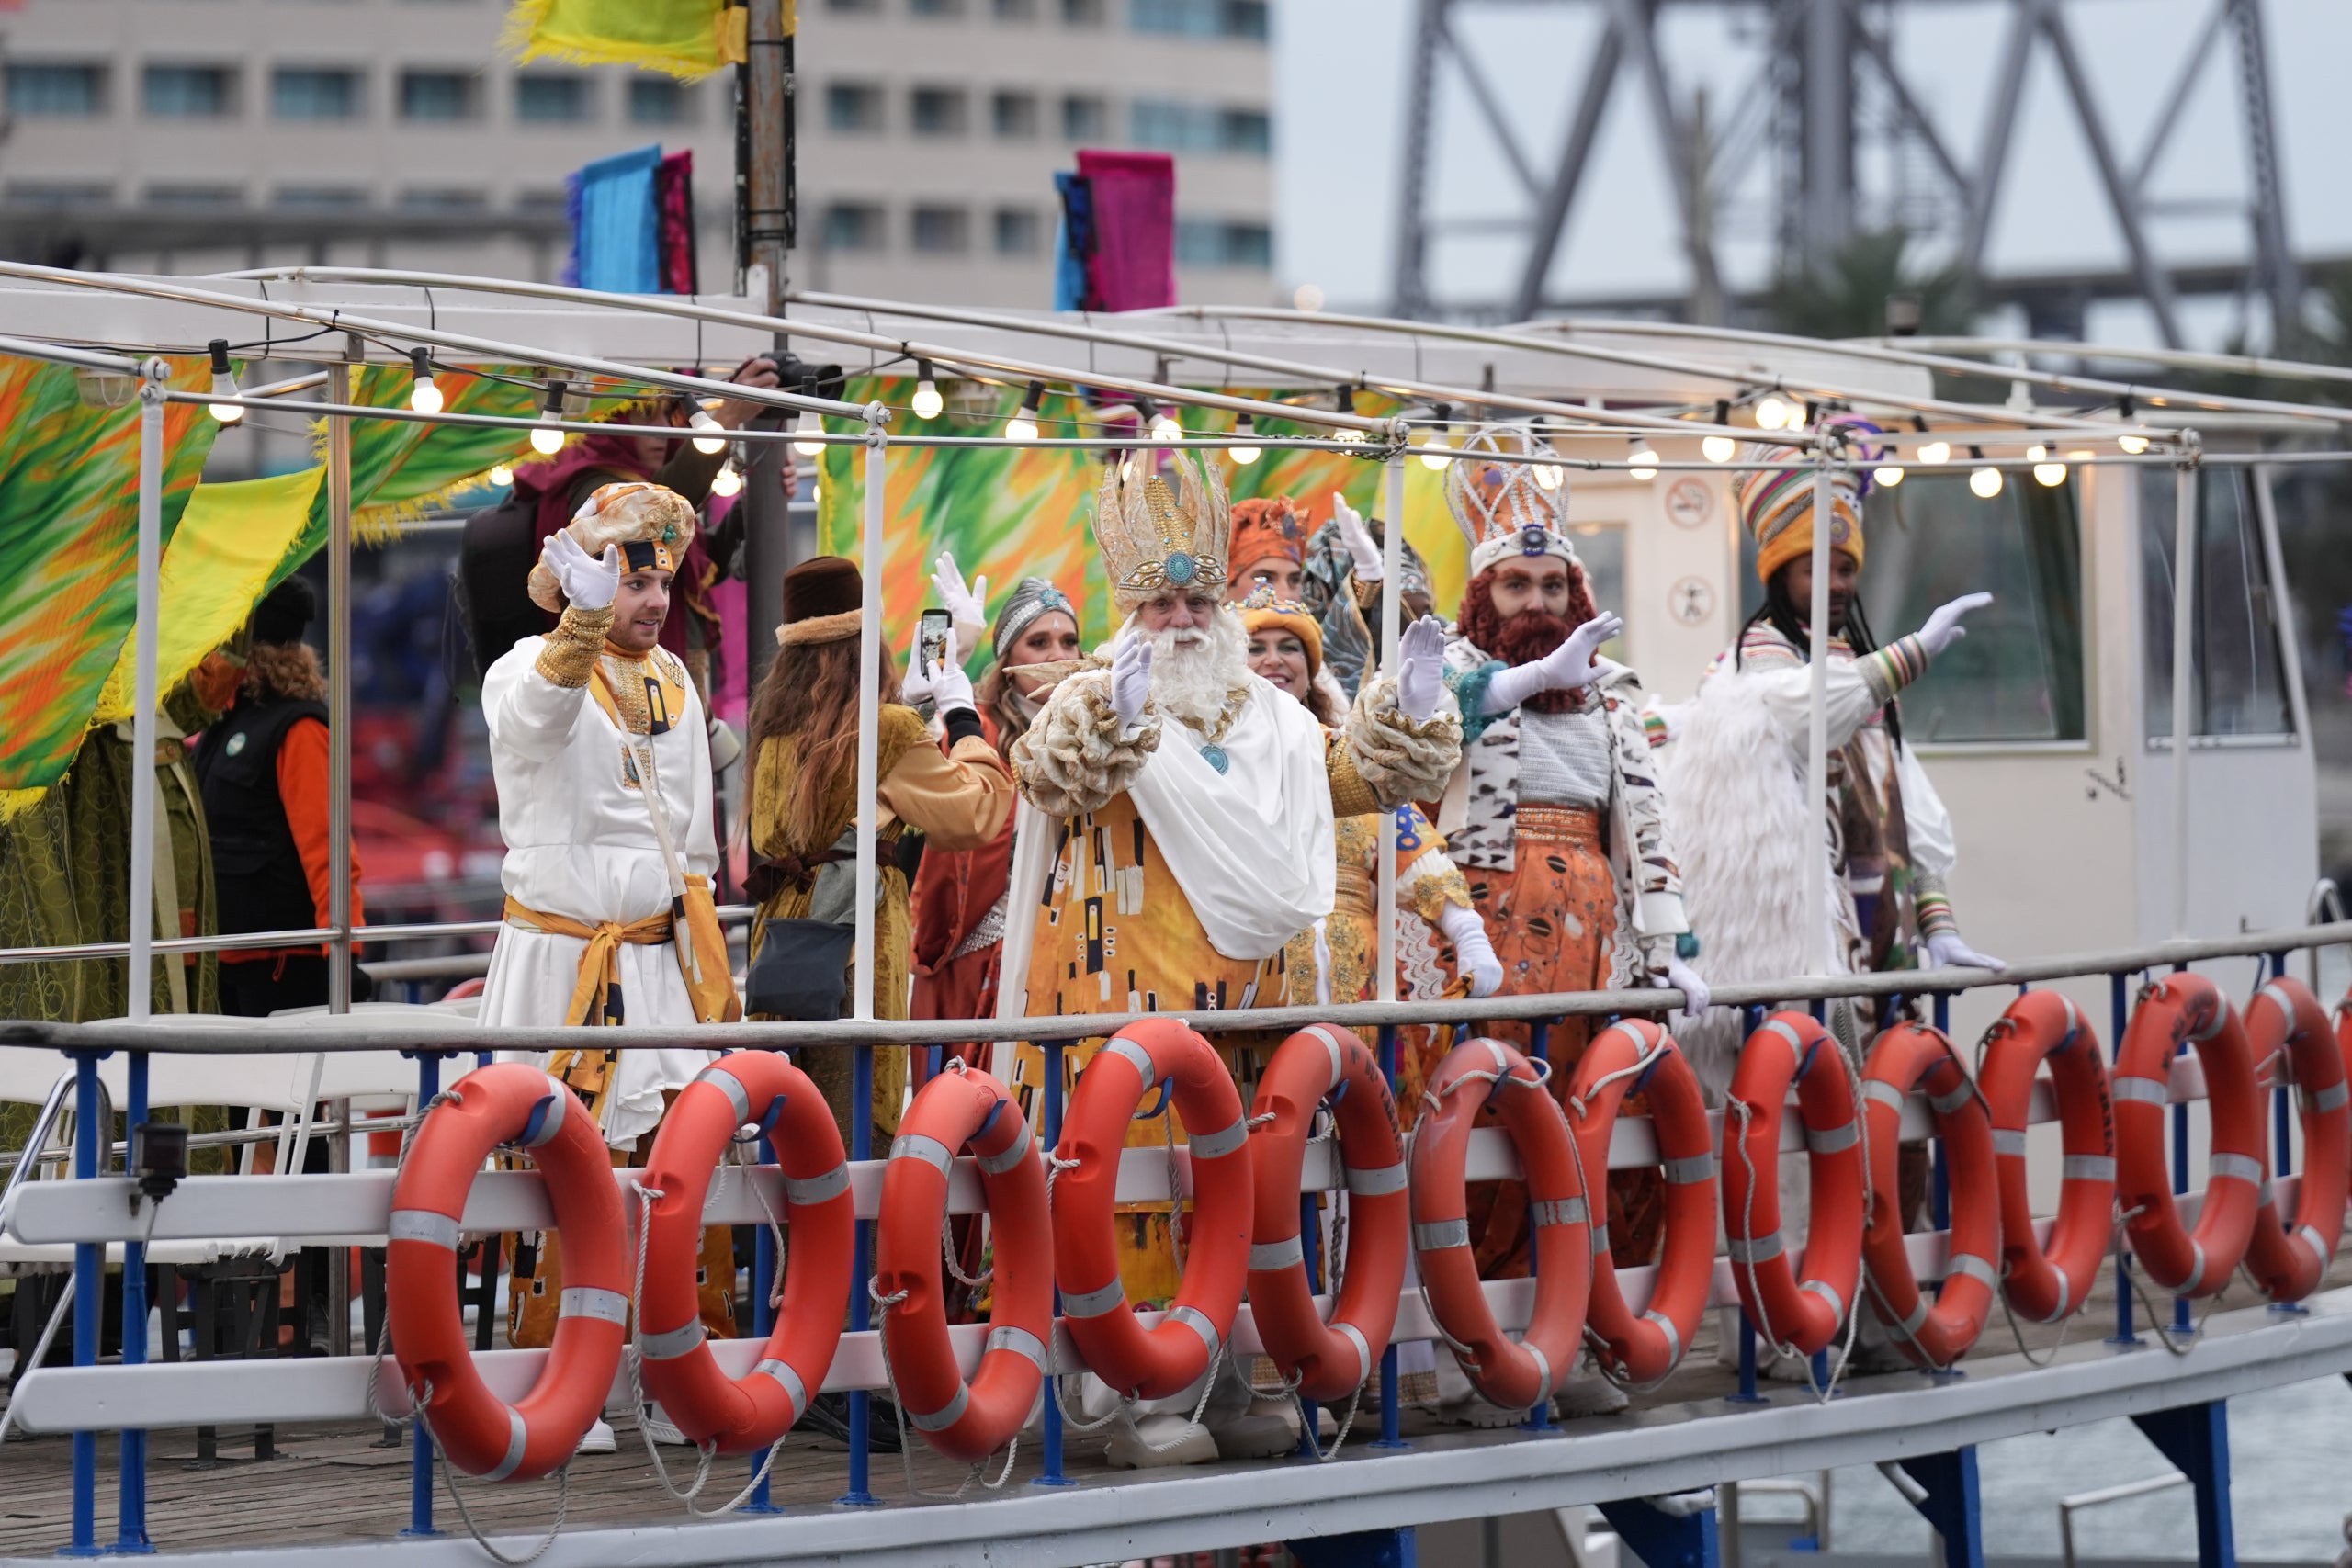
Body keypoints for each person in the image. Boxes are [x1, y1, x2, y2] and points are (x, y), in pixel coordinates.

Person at [1001, 450, 1462, 1465]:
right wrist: (1108, 715)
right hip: (1120, 990)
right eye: (1158, 601)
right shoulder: (1096, 695)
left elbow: (1350, 785)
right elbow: (1045, 776)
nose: (1179, 617)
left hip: (1248, 997)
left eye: (1194, 597)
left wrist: (1411, 703)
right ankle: (1126, 1403)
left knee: (1238, 1200)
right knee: (1135, 1197)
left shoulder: (1275, 719)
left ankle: (1220, 1387)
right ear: (1129, 610)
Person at [1660, 424, 1996, 1378]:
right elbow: (1815, 707)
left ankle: (1887, 1316)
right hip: (1802, 962)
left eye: (1845, 566)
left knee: (1895, 1145)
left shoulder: (1862, 686)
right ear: (1778, 572)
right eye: (1814, 567)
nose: (1836, 583)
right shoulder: (1750, 674)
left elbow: (1906, 816)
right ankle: (1791, 1327)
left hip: (1875, 947)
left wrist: (1939, 926)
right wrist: (1906, 658)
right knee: (1802, 1146)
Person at [1432, 425, 1706, 1422]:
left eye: (1554, 586)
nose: (1539, 604)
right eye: (1518, 586)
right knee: (1497, 1143)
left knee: (1609, 1136)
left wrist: (1676, 946)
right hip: (1488, 945)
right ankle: (1488, 1357)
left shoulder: (1612, 697)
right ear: (1484, 598)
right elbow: (1414, 755)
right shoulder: (1449, 681)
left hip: (1600, 942)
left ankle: (1597, 1334)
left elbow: (1649, 831)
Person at [477, 482, 737, 1448]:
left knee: (680, 1166)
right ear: (581, 584)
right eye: (632, 578)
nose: (654, 595)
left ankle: (675, 1373)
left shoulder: (674, 676)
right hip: (562, 964)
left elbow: (695, 832)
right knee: (566, 1172)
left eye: (663, 577)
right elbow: (539, 722)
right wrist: (581, 626)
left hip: (664, 963)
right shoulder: (520, 671)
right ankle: (562, 1379)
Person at [742, 556, 1016, 1150]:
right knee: (852, 1129)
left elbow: (858, 791)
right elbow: (977, 812)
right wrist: (961, 712)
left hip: (784, 946)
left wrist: (937, 673)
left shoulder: (773, 729)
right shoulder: (885, 730)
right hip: (854, 950)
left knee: (785, 1122)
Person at [1241, 591, 1499, 1055]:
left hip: (1355, 985)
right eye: (1255, 648)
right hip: (1255, 982)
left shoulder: (1353, 757)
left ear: (1310, 666)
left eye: (1290, 647)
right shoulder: (1215, 760)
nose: (1273, 660)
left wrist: (1468, 933)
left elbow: (1411, 846)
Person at [508, 355, 795, 695]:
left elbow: (701, 566)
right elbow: (652, 509)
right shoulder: (591, 482)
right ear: (611, 418)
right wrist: (725, 418)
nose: (659, 427)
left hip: (675, 663)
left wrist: (758, 501)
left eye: (665, 413)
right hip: (616, 676)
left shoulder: (652, 487)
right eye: (644, 413)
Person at [909, 567, 1083, 1027]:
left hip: (1071, 944)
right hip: (981, 942)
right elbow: (913, 727)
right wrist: (954, 645)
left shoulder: (1096, 734)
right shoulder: (976, 728)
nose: (1057, 655)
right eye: (1039, 642)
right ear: (1009, 655)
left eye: (1068, 642)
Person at [195, 576, 368, 1016]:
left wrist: (344, 952)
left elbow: (328, 849)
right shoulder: (222, 724)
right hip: (227, 962)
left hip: (281, 970)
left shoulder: (299, 729)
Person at [1300, 495, 1436, 703]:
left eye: (1424, 612)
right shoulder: (1300, 664)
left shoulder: (1448, 645)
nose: (1416, 626)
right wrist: (1368, 576)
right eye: (1399, 616)